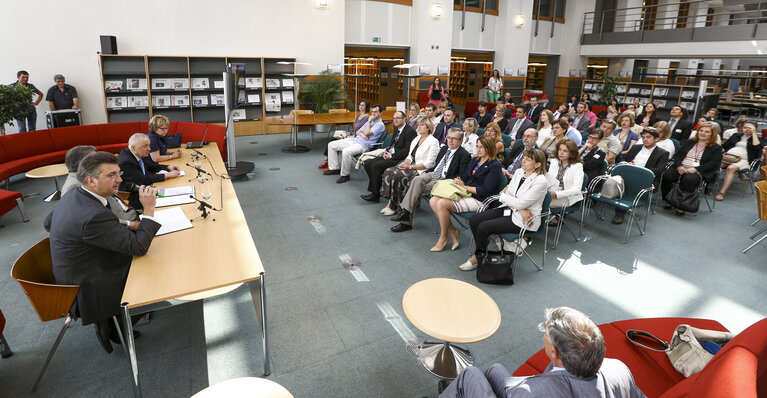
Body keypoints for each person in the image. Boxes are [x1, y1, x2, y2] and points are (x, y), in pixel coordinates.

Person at [44, 151, 162, 354]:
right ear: (91, 180)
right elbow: (138, 247)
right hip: (88, 288)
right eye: (112, 175)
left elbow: (48, 223)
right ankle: (115, 324)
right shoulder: (92, 215)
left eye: (119, 173)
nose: (120, 179)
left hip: (76, 270)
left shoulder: (74, 194)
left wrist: (112, 229)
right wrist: (148, 210)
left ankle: (116, 321)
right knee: (156, 271)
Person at [439, 307, 647, 398]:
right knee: (495, 370)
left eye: (545, 332)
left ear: (554, 352)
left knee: (470, 374)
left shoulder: (533, 392)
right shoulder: (620, 369)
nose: (543, 335)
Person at [459, 148, 548, 271]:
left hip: (525, 219)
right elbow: (512, 197)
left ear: (537, 164)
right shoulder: (519, 172)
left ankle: (478, 257)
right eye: (525, 157)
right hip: (513, 210)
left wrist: (506, 197)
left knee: (484, 227)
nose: (524, 160)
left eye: (529, 159)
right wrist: (518, 205)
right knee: (475, 219)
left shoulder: (541, 181)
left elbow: (511, 198)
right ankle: (483, 252)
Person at [430, 136, 502, 252]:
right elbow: (466, 176)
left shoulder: (495, 166)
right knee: (433, 200)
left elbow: (485, 190)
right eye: (477, 146)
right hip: (466, 192)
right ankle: (453, 231)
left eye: (482, 147)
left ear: (489, 149)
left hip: (479, 199)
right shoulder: (475, 160)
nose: (478, 150)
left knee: (442, 203)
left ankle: (444, 237)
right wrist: (460, 181)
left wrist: (464, 186)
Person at [391, 127, 471, 232]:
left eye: (454, 139)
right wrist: (427, 172)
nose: (450, 141)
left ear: (460, 140)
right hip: (433, 173)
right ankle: (406, 214)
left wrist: (444, 181)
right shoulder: (444, 149)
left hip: (444, 180)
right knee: (416, 180)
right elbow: (437, 165)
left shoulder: (464, 155)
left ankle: (405, 218)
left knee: (417, 188)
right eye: (448, 138)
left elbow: (461, 175)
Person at [379, 118, 440, 216]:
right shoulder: (417, 138)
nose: (418, 127)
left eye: (421, 125)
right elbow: (409, 156)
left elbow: (429, 163)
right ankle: (391, 202)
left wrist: (410, 167)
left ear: (428, 128)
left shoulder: (433, 142)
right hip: (411, 165)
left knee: (398, 174)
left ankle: (396, 206)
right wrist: (405, 163)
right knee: (389, 171)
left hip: (421, 169)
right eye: (418, 125)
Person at [661, 122, 722, 216]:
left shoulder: (716, 148)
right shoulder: (690, 142)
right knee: (667, 175)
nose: (703, 133)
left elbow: (714, 164)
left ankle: (681, 206)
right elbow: (677, 156)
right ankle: (669, 199)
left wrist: (696, 169)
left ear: (712, 134)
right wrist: (679, 166)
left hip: (698, 171)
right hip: (681, 167)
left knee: (689, 179)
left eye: (707, 132)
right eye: (701, 130)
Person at [611, 127, 670, 224]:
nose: (645, 139)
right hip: (628, 174)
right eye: (643, 137)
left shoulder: (663, 153)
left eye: (648, 137)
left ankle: (619, 213)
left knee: (627, 185)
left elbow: (659, 170)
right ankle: (614, 199)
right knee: (616, 180)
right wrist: (627, 163)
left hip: (646, 180)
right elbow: (622, 159)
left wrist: (638, 169)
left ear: (656, 139)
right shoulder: (636, 148)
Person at [360, 111, 417, 203]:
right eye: (394, 118)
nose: (395, 120)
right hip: (392, 155)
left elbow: (406, 151)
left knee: (375, 166)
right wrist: (387, 152)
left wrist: (391, 155)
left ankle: (375, 195)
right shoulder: (397, 130)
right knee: (367, 163)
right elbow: (392, 145)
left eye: (398, 118)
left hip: (400, 159)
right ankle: (377, 187)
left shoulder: (410, 132)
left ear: (404, 119)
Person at [324, 104, 385, 183]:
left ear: (381, 113)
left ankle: (345, 175)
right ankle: (334, 168)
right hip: (355, 140)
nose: (373, 114)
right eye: (372, 112)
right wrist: (363, 135)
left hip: (363, 145)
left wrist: (368, 123)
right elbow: (358, 131)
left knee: (346, 151)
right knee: (331, 144)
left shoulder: (380, 125)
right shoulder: (370, 122)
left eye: (376, 112)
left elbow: (366, 132)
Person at [118, 133, 181, 209]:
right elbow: (143, 180)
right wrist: (167, 175)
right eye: (145, 146)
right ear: (133, 148)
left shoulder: (137, 153)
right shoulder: (126, 162)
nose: (149, 149)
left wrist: (167, 167)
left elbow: (151, 166)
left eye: (149, 145)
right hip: (135, 199)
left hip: (146, 190)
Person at [716, 121, 762, 201]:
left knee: (731, 168)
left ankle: (722, 192)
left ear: (755, 129)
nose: (747, 129)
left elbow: (757, 148)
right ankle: (708, 185)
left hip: (744, 160)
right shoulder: (736, 135)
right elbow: (725, 146)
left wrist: (754, 133)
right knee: (716, 165)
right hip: (729, 157)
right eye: (745, 127)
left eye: (750, 128)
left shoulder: (756, 139)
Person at [319, 100, 369, 169]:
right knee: (332, 141)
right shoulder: (358, 116)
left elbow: (363, 131)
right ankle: (327, 161)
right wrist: (349, 133)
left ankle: (326, 162)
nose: (360, 106)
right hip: (351, 135)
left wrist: (353, 135)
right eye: (360, 105)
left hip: (356, 138)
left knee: (333, 142)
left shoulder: (367, 118)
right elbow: (354, 128)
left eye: (363, 105)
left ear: (366, 107)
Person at [546, 140, 584, 210]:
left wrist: (557, 194)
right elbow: (549, 180)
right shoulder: (554, 161)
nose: (561, 153)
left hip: (567, 197)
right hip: (551, 193)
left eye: (565, 151)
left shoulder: (577, 166)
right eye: (560, 150)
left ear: (572, 153)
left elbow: (577, 189)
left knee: (540, 203)